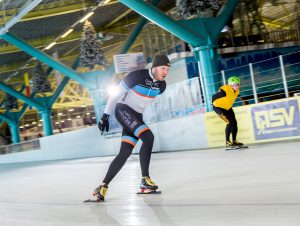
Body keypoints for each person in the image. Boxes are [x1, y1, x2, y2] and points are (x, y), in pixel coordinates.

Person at [94, 54, 171, 201]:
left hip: (136, 116)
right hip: (123, 110)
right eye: (163, 68)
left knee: (125, 152)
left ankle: (102, 187)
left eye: (168, 69)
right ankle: (145, 179)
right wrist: (105, 116)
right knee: (148, 137)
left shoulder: (162, 86)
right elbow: (115, 95)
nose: (165, 72)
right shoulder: (136, 76)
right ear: (154, 67)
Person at [212, 76, 244, 148]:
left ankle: (234, 141)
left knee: (234, 123)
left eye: (238, 84)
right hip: (218, 108)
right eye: (236, 84)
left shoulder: (237, 91)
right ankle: (227, 141)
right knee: (229, 123)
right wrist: (214, 103)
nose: (238, 86)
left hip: (227, 108)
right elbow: (214, 96)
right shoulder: (226, 90)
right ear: (231, 85)